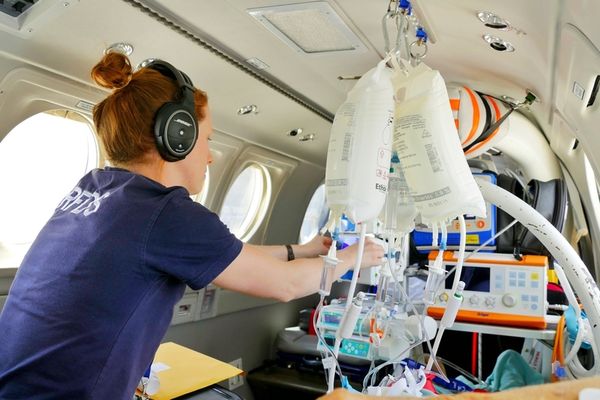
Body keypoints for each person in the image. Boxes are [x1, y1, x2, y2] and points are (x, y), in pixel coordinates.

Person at [0, 52, 384, 399]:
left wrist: (303, 250)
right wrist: (354, 256)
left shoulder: (96, 189)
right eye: (208, 139)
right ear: (177, 135)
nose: (211, 156)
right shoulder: (165, 212)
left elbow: (230, 256)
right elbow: (285, 286)